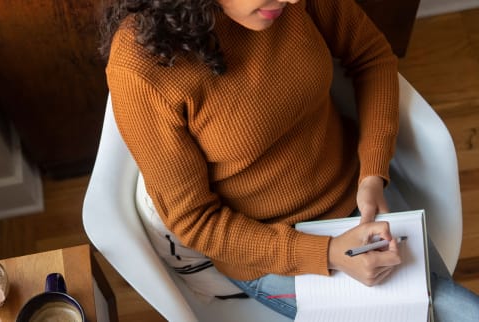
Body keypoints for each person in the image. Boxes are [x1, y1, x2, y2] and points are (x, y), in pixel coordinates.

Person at [99, 0, 479, 320]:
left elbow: (371, 56)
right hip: (269, 251)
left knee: (447, 306)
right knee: (449, 306)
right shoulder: (141, 69)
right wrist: (327, 253)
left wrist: (373, 173)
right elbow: (195, 222)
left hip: (358, 197)